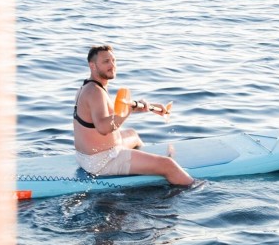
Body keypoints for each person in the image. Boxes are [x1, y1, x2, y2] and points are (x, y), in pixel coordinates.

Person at [73, 44, 194, 186]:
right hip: (102, 161)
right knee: (168, 164)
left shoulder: (90, 87)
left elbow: (112, 113)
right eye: (106, 62)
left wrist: (152, 107)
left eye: (113, 60)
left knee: (132, 134)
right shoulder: (95, 92)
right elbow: (103, 128)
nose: (112, 65)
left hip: (87, 157)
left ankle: (145, 167)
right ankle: (196, 188)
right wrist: (127, 112)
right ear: (92, 66)